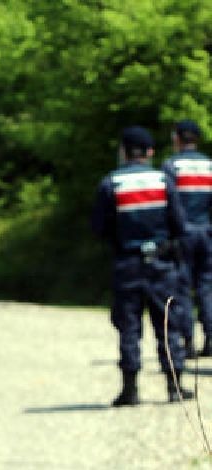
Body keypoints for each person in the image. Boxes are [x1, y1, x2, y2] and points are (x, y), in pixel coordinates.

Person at [92, 126, 194, 406]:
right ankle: (174, 387)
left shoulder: (111, 183)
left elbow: (99, 228)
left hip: (127, 265)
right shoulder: (164, 181)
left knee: (129, 327)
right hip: (162, 264)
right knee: (167, 324)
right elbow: (180, 225)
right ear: (149, 152)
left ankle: (131, 390)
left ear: (123, 151)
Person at [161, 119, 212, 358]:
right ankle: (211, 338)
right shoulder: (209, 166)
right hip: (207, 232)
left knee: (182, 289)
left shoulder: (171, 166)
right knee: (206, 286)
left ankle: (188, 341)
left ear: (178, 138)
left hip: (183, 235)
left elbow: (169, 205)